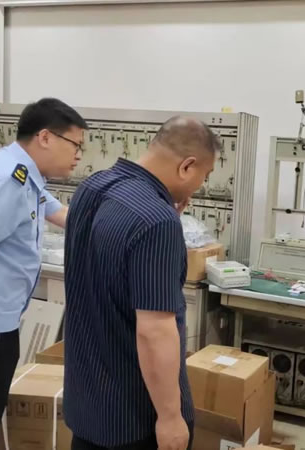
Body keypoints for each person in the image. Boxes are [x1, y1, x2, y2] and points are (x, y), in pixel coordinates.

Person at [63, 116, 219, 450]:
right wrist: (170, 417)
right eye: (204, 176)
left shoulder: (92, 187)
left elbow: (111, 272)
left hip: (87, 405)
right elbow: (154, 331)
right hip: (132, 419)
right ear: (187, 166)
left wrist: (165, 221)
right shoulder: (156, 221)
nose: (199, 187)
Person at [0, 98, 87, 450]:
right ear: (45, 137)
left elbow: (63, 214)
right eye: (75, 145)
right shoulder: (8, 180)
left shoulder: (25, 175)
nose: (78, 156)